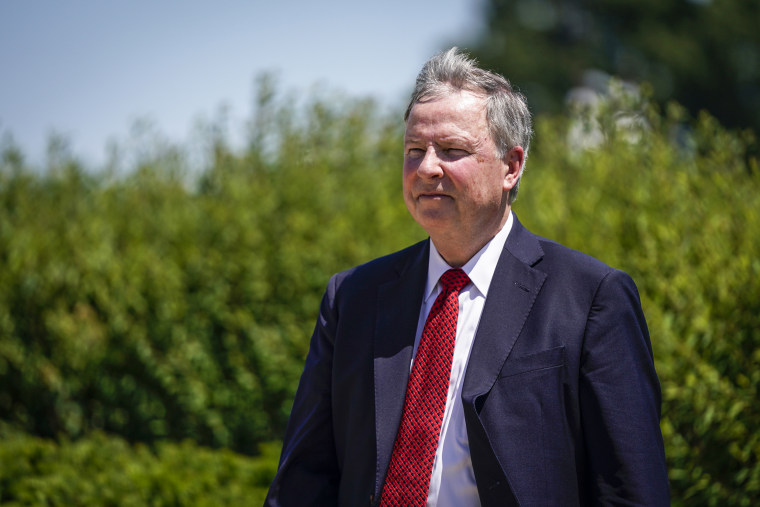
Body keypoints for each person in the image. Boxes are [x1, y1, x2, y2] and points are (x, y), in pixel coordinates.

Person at [265, 47, 669, 506]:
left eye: (452, 150)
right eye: (414, 150)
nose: (427, 167)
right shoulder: (353, 297)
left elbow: (630, 489)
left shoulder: (590, 297)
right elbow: (304, 480)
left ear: (511, 167)